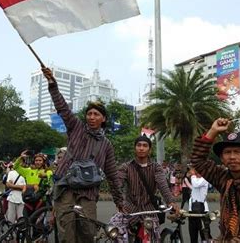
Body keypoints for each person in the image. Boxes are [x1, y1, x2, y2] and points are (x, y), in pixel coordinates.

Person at [42, 66, 123, 243]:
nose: (91, 117)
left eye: (96, 114)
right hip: (66, 189)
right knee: (67, 234)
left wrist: (119, 201)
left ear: (103, 119)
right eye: (89, 113)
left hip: (88, 193)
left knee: (88, 234)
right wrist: (52, 84)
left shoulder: (106, 145)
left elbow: (112, 174)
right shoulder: (76, 127)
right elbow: (62, 108)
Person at [118, 136, 178, 241]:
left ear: (149, 150)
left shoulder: (156, 168)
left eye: (145, 146)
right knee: (113, 231)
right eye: (139, 145)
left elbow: (162, 185)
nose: (141, 148)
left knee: (152, 238)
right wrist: (119, 201)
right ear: (135, 148)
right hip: (129, 210)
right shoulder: (126, 167)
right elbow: (117, 184)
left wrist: (170, 202)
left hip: (149, 211)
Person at [188, 167, 212, 243]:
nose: (195, 172)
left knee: (205, 235)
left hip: (202, 209)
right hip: (192, 210)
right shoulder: (195, 179)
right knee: (193, 235)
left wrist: (192, 175)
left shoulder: (205, 179)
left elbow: (196, 184)